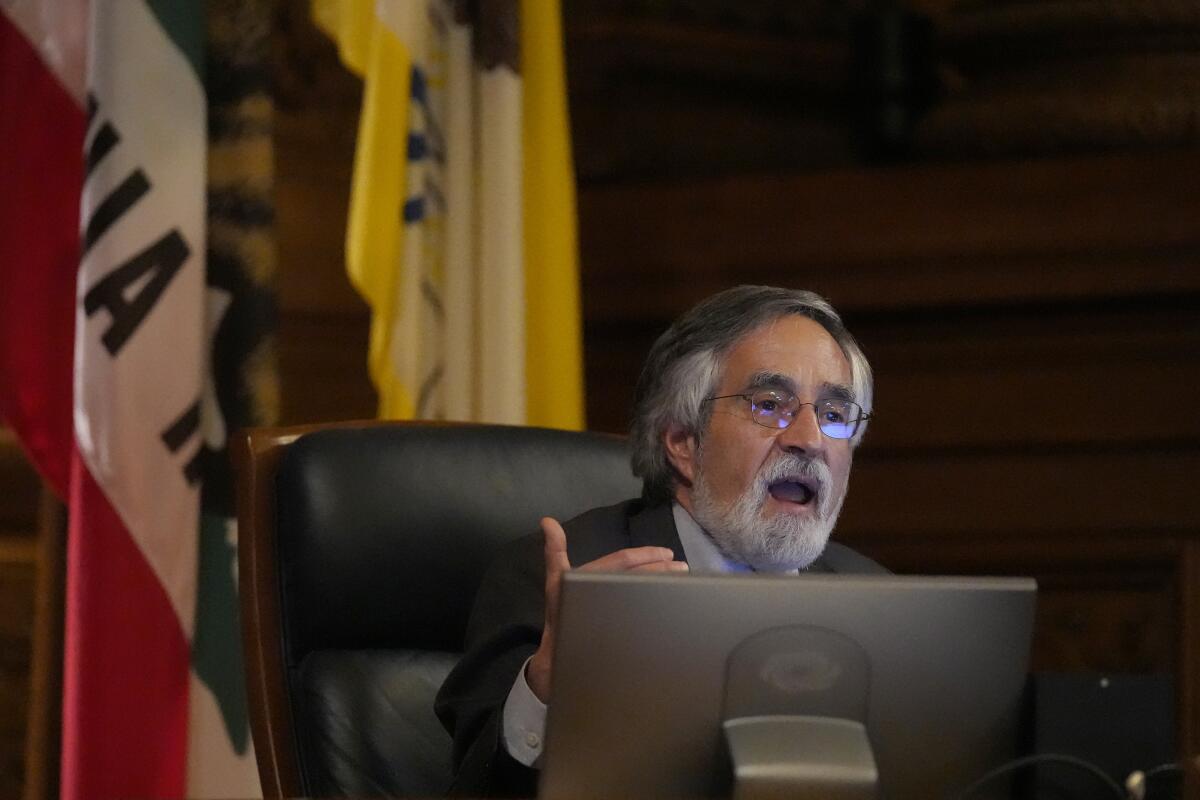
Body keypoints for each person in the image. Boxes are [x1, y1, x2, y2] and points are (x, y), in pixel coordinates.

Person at [434, 285, 887, 796]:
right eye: (768, 404)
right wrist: (548, 688)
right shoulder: (558, 581)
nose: (808, 438)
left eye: (833, 414)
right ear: (683, 443)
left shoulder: (882, 601)